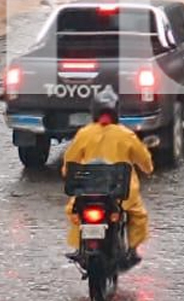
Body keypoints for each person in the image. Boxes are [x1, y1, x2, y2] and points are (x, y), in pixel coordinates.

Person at [63, 88, 155, 268]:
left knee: (75, 211)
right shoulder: (126, 134)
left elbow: (69, 160)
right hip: (121, 193)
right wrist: (148, 169)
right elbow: (145, 162)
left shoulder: (85, 133)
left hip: (87, 190)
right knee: (139, 216)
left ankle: (79, 248)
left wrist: (67, 173)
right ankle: (132, 249)